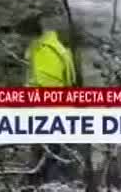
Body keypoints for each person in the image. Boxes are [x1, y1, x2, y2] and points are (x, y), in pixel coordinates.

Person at [18, 15, 77, 183]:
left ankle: (45, 184)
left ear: (31, 34)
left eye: (22, 37)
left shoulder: (44, 51)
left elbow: (49, 86)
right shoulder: (54, 47)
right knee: (50, 155)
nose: (21, 41)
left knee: (46, 158)